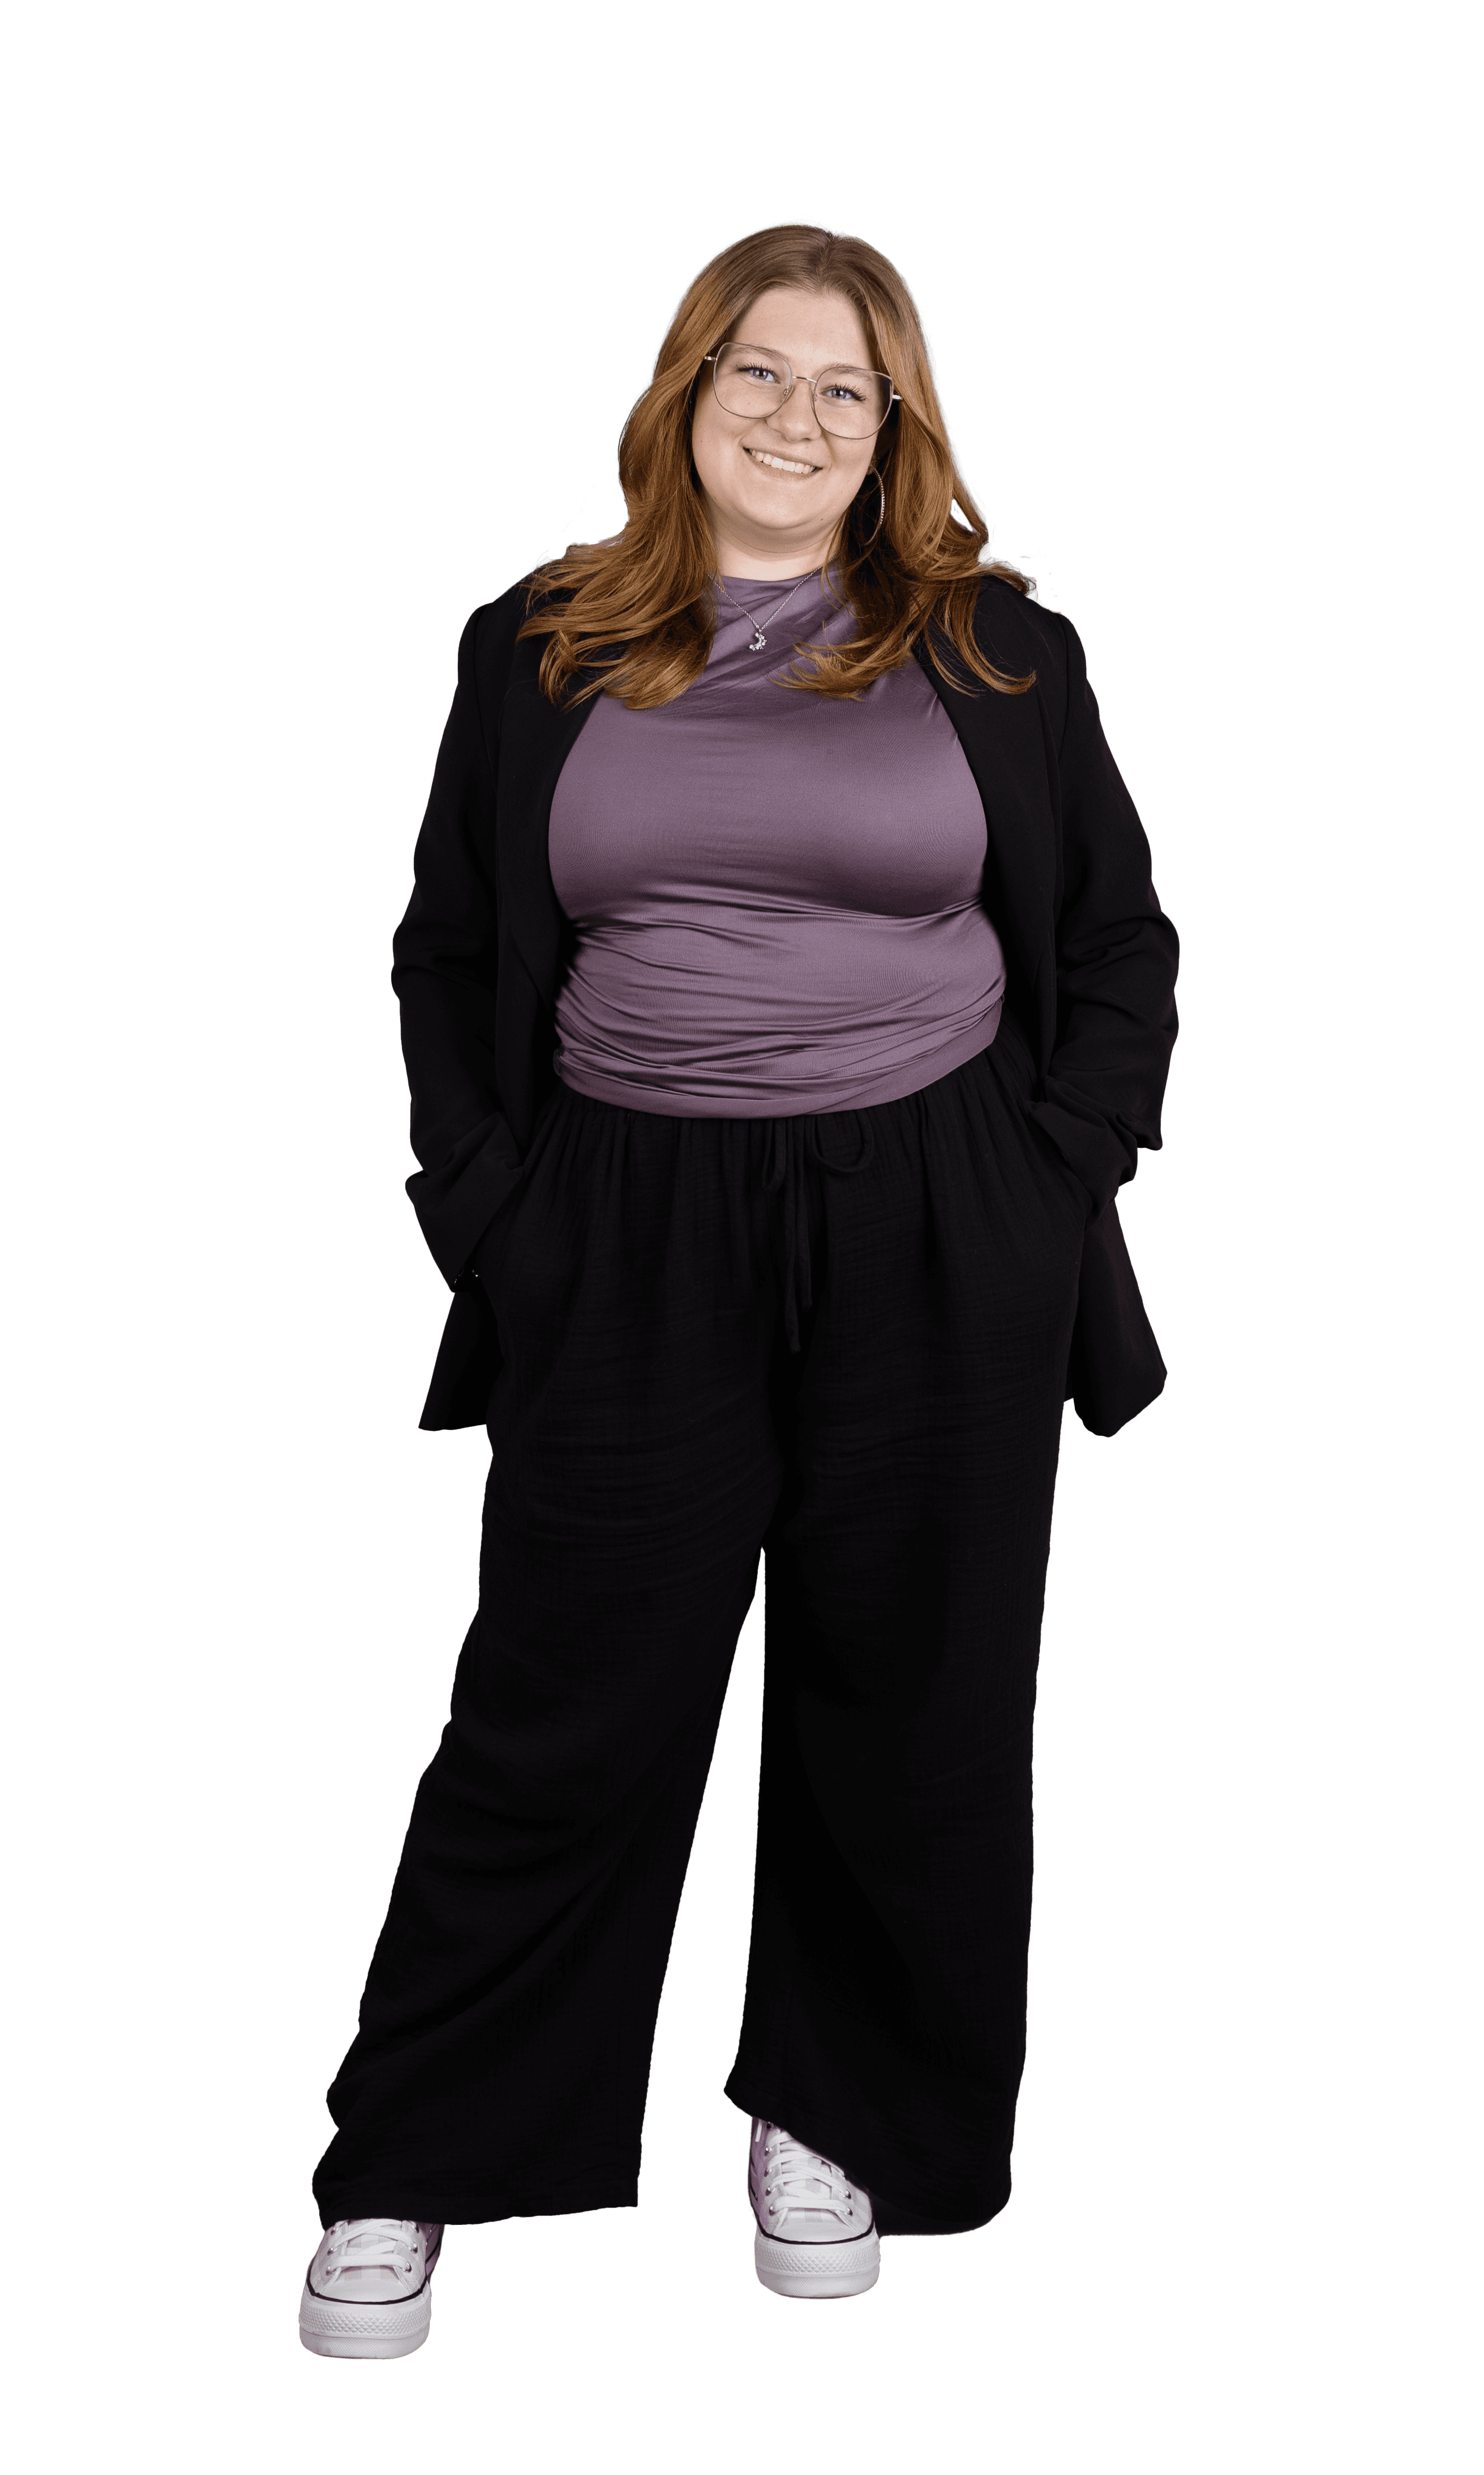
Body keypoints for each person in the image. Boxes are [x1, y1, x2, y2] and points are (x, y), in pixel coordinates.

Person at [298, 222, 1180, 2358]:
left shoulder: (1002, 648)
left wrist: (1051, 1178)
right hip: (619, 1220)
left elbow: (1119, 944)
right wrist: (491, 1209)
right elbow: (444, 949)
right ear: (684, 394)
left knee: (915, 1691)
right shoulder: (530, 643)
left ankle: (832, 2113)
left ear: (896, 431)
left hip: (944, 1211)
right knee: (558, 1702)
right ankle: (420, 2151)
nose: (797, 417)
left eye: (844, 388)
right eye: (758, 373)